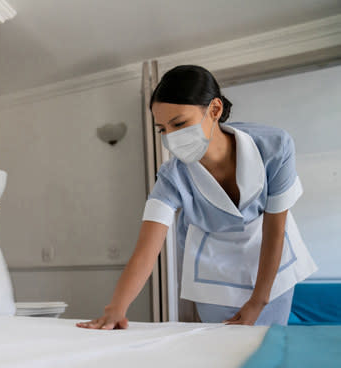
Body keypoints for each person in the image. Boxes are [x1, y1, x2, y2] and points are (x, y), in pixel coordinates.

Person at [77, 65, 316, 330]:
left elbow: (275, 230)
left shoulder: (275, 146)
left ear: (214, 110)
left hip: (271, 262)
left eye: (179, 123)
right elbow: (146, 250)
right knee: (219, 350)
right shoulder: (172, 176)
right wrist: (116, 309)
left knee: (270, 345)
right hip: (215, 271)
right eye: (162, 129)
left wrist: (258, 300)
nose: (171, 138)